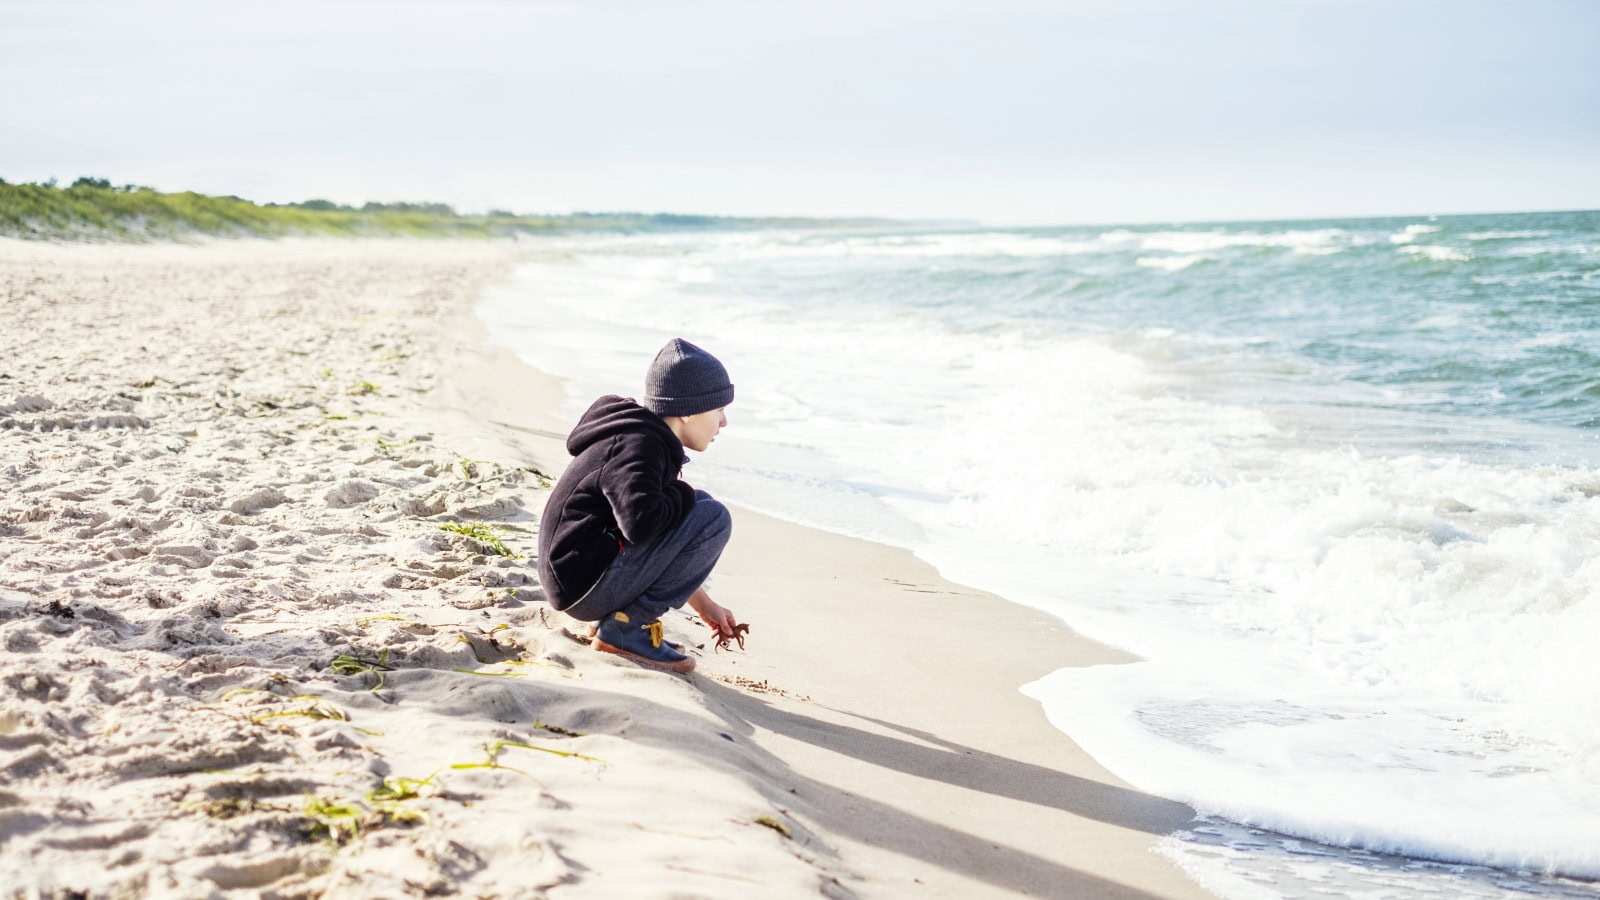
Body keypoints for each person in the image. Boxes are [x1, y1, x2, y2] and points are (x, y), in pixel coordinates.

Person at [536, 338, 742, 673]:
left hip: (580, 576)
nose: (723, 422)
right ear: (688, 411)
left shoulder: (645, 439)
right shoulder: (638, 447)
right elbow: (642, 524)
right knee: (712, 516)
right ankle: (625, 628)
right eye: (718, 409)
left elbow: (651, 535)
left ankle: (617, 621)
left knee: (699, 507)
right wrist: (682, 492)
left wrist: (705, 605)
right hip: (580, 584)